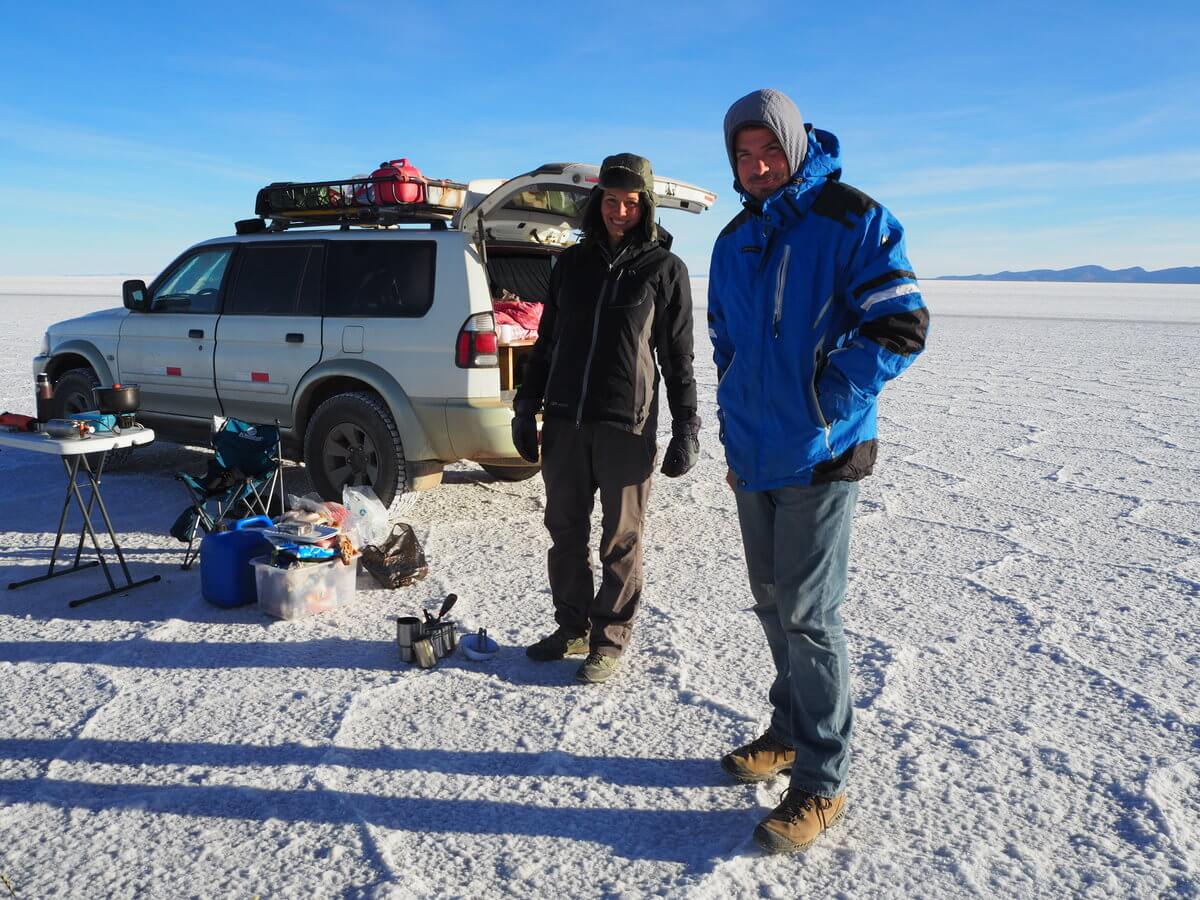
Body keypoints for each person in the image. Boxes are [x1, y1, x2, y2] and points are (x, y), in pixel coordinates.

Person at [708, 89, 929, 852]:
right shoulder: (732, 239)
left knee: (809, 614)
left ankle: (822, 780)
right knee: (772, 604)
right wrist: (737, 437)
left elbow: (901, 323)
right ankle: (791, 730)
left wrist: (824, 403)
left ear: (795, 148)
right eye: (745, 154)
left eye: (771, 150)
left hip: (822, 454)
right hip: (756, 456)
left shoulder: (851, 217)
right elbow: (726, 346)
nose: (759, 165)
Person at [511, 153, 700, 685]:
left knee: (620, 538)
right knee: (564, 529)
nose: (621, 211)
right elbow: (547, 344)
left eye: (631, 203)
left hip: (627, 426)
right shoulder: (571, 266)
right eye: (612, 201)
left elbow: (676, 357)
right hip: (567, 420)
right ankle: (570, 625)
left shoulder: (665, 270)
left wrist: (687, 425)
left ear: (646, 207)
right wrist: (528, 406)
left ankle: (610, 639)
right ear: (598, 203)